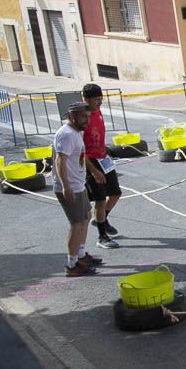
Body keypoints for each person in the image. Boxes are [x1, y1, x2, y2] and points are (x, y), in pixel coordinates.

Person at [51, 102, 102, 277]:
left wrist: (94, 171)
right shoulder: (66, 135)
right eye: (83, 117)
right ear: (73, 116)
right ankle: (72, 265)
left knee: (86, 217)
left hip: (79, 184)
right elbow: (60, 161)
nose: (87, 120)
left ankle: (80, 255)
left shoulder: (76, 132)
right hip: (71, 187)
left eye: (88, 117)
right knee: (76, 224)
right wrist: (66, 187)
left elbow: (81, 155)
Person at [81, 82, 122, 249]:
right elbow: (79, 150)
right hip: (91, 162)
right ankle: (102, 237)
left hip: (103, 158)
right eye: (96, 99)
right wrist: (93, 170)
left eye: (101, 99)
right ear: (86, 99)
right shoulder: (81, 118)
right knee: (99, 199)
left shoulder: (98, 112)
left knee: (115, 193)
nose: (100, 102)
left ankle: (101, 220)